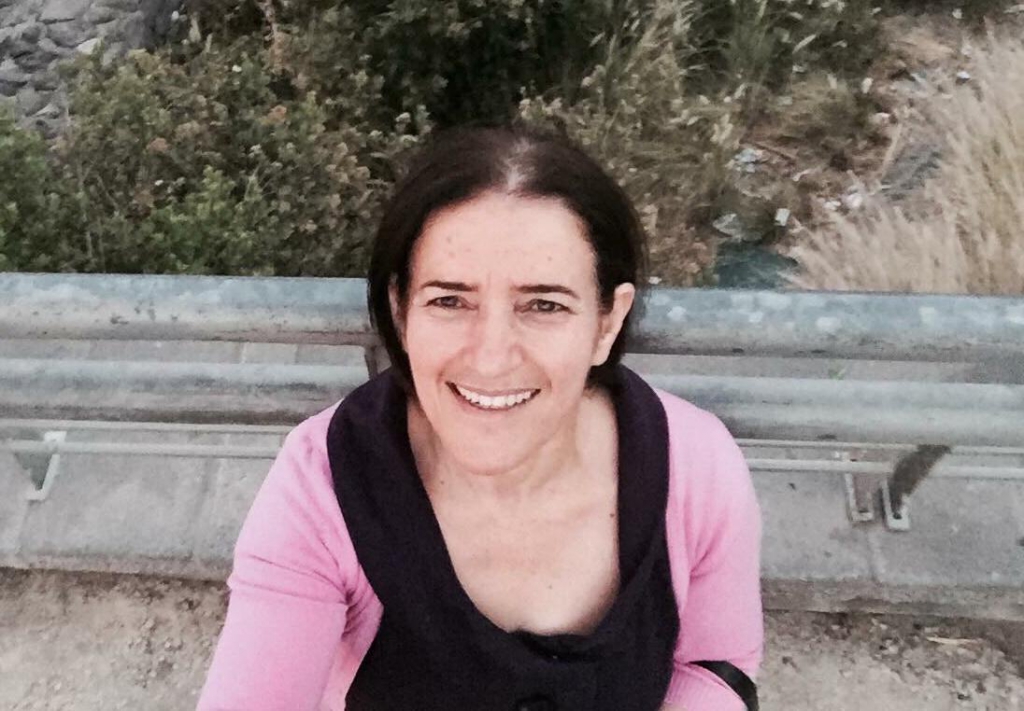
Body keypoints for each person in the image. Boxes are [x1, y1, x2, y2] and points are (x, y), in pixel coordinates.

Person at [197, 125, 763, 711]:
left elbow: (712, 668)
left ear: (606, 324)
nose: (492, 358)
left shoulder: (695, 469)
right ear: (401, 311)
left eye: (543, 305)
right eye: (449, 300)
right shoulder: (322, 491)